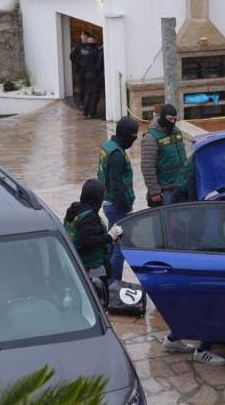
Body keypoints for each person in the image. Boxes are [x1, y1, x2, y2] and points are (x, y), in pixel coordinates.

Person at [64, 179, 123, 307]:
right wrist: (110, 236)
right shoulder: (88, 218)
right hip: (92, 269)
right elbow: (87, 241)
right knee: (99, 305)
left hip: (76, 265)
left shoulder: (74, 211)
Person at [97, 116, 139, 283]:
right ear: (125, 135)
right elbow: (117, 187)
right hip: (117, 206)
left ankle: (104, 280)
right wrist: (127, 207)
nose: (134, 141)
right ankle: (114, 283)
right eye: (133, 137)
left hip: (108, 202)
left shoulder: (108, 146)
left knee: (110, 242)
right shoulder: (117, 155)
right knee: (121, 247)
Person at [141, 104, 188, 207]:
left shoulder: (176, 132)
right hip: (165, 189)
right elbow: (147, 167)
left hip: (181, 185)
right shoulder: (150, 138)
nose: (172, 122)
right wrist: (154, 191)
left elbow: (183, 157)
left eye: (175, 119)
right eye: (170, 119)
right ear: (162, 117)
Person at [80, 33, 104, 118]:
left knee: (87, 93)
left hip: (85, 74)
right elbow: (98, 66)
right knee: (94, 94)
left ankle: (85, 111)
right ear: (94, 42)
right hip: (94, 75)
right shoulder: (96, 52)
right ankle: (92, 112)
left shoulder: (83, 50)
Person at [69, 31, 88, 107]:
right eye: (82, 35)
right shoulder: (78, 46)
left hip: (87, 70)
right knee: (81, 86)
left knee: (86, 87)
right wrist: (78, 63)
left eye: (85, 35)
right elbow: (71, 56)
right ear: (81, 36)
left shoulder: (88, 46)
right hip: (79, 70)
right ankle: (81, 102)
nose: (84, 37)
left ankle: (86, 102)